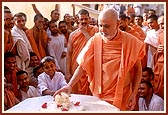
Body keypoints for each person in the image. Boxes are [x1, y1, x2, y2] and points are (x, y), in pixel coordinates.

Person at [54, 8, 145, 111]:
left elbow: (138, 69)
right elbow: (82, 66)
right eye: (100, 25)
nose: (102, 29)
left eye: (106, 26)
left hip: (123, 95)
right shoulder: (95, 40)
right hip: (99, 96)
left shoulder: (131, 42)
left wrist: (133, 94)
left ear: (118, 23)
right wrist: (70, 85)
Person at [66, 9, 98, 95]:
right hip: (76, 67)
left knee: (90, 94)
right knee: (76, 94)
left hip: (90, 67)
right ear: (78, 19)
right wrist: (67, 72)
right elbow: (69, 55)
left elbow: (94, 45)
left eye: (86, 19)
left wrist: (84, 32)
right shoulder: (72, 34)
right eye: (81, 19)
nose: (84, 21)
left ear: (89, 19)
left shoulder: (96, 31)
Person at [153, 15, 164, 99]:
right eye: (159, 24)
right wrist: (158, 51)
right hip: (161, 66)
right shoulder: (161, 35)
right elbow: (157, 54)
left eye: (163, 23)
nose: (161, 26)